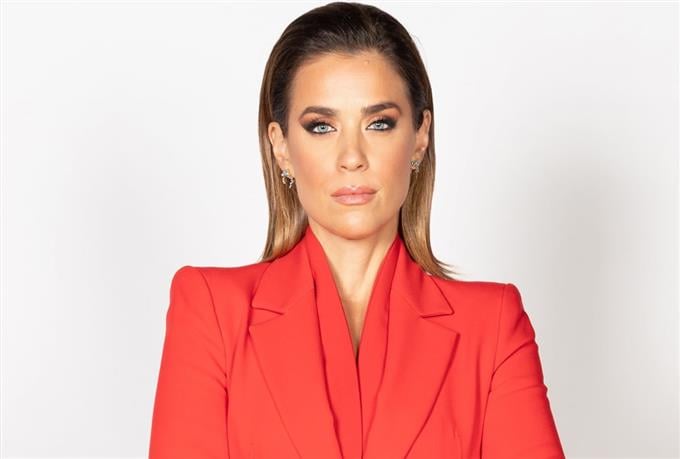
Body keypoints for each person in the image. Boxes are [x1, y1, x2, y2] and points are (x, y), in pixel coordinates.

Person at [148, 2, 565, 458]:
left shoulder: (492, 326)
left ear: (420, 136)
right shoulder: (213, 312)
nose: (352, 157)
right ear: (281, 146)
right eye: (322, 127)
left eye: (378, 123)